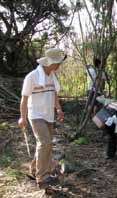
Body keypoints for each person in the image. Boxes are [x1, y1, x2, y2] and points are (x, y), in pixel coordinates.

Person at [18, 48, 66, 188]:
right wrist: (23, 117)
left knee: (46, 145)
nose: (59, 66)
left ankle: (34, 169)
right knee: (45, 143)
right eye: (58, 63)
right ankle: (42, 177)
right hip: (36, 115)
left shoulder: (51, 75)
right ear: (50, 62)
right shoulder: (32, 77)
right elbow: (24, 99)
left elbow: (54, 94)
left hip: (48, 115)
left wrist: (59, 109)